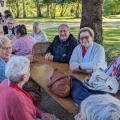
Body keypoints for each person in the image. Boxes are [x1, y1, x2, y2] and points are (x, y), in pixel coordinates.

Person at [0, 56, 56, 120]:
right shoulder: (18, 99)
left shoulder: (5, 83)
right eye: (29, 71)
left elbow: (26, 106)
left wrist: (41, 114)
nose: (29, 73)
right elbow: (22, 105)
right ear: (24, 77)